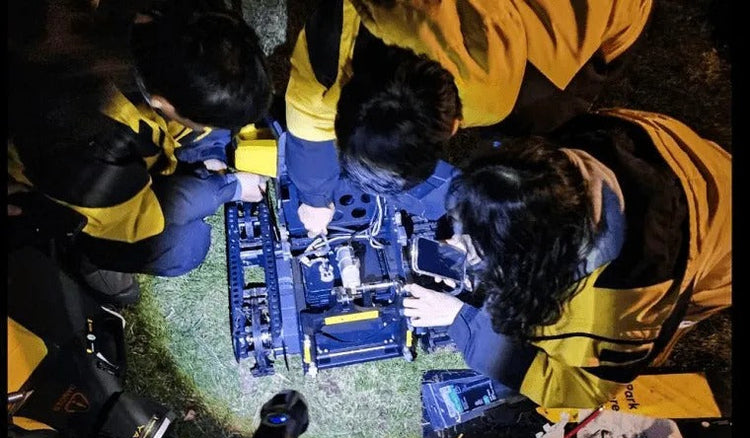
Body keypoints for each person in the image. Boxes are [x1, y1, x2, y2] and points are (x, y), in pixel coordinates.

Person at [402, 108, 731, 408]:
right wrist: (473, 248)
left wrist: (461, 318)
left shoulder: (621, 303)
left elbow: (587, 387)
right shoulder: (552, 165)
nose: (454, 241)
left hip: (717, 256)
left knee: (669, 320)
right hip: (702, 177)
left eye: (473, 240)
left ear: (530, 258)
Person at [284, 0, 653, 237]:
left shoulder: (533, 99)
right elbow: (307, 115)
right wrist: (315, 197)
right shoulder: (336, 37)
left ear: (452, 126)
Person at [8, 0, 273, 304]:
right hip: (88, 202)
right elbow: (140, 216)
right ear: (162, 102)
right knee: (185, 245)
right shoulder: (80, 141)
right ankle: (88, 256)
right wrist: (228, 187)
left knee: (219, 123)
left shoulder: (174, 27)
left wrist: (205, 166)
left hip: (123, 140)